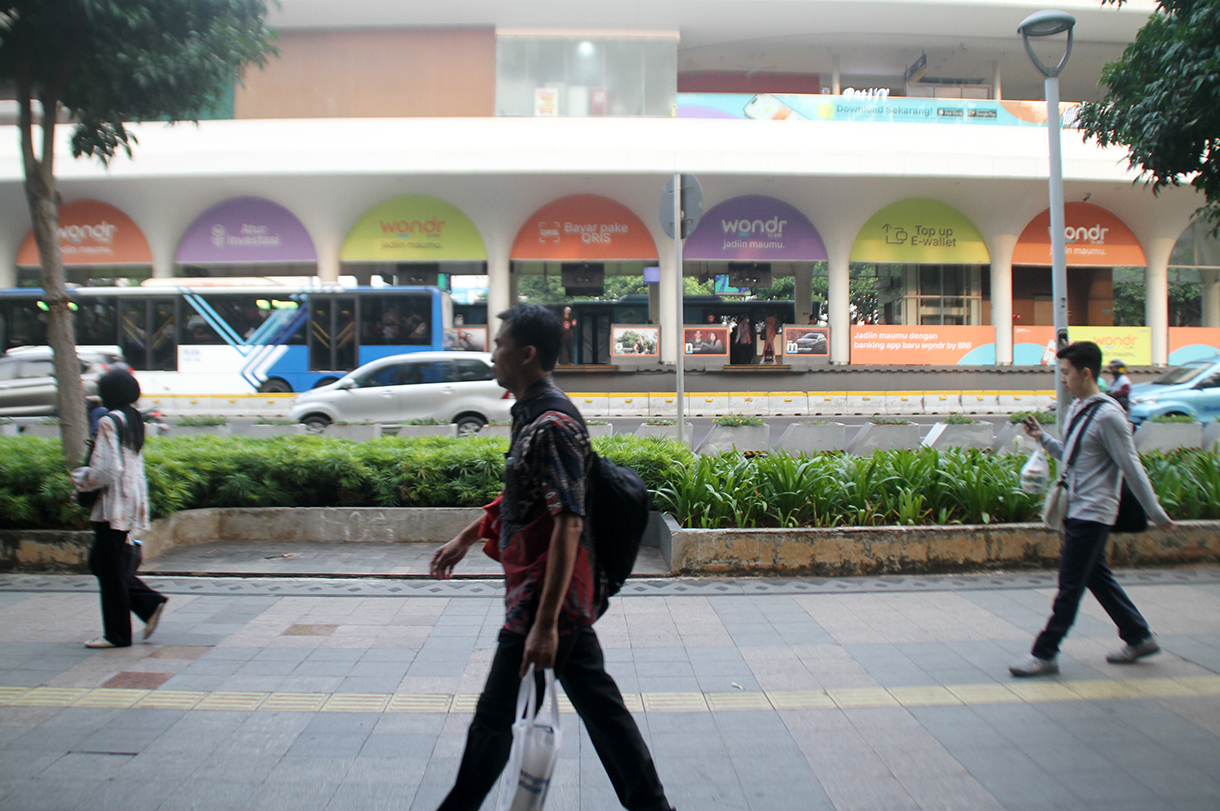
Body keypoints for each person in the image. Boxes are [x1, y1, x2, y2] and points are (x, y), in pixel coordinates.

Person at [430, 304, 674, 811]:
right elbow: (526, 501)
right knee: (603, 712)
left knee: (495, 720)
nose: (491, 353)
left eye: (499, 345)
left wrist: (544, 625)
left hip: (546, 603)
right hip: (552, 600)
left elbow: (569, 521)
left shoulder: (552, 425)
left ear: (526, 354)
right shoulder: (530, 415)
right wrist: (468, 536)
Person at [1009, 341, 1175, 678]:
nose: (1063, 380)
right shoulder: (1077, 410)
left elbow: (1132, 467)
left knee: (1070, 586)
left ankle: (1045, 653)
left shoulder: (1110, 415)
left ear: (1086, 373)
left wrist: (1155, 512)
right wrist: (1042, 438)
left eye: (1067, 373)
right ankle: (1139, 636)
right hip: (1077, 507)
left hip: (1094, 512)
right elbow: (1071, 456)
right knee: (1097, 577)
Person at [72, 369, 167, 649]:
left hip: (113, 505)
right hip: (131, 500)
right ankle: (148, 605)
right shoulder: (134, 418)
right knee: (102, 564)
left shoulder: (108, 421)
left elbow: (106, 470)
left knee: (109, 569)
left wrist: (80, 479)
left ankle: (117, 634)